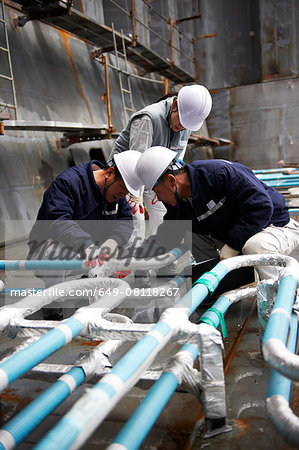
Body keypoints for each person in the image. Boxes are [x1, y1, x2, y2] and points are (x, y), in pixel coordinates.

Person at [135, 146, 299, 280]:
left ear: (171, 180)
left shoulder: (218, 173)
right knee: (192, 232)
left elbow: (262, 207)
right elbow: (170, 231)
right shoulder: (179, 199)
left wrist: (233, 245)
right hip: (242, 235)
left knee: (255, 246)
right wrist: (140, 254)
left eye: (156, 191)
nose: (157, 197)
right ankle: (222, 283)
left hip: (275, 227)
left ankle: (280, 297)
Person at [28, 150, 142, 319]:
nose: (122, 196)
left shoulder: (115, 191)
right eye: (122, 190)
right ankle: (53, 309)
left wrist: (113, 241)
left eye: (126, 193)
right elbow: (58, 221)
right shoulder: (68, 183)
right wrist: (86, 245)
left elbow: (126, 219)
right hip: (46, 254)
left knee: (130, 241)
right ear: (109, 173)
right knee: (56, 252)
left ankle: (88, 293)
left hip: (87, 253)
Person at [109, 84, 212, 239]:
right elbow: (135, 162)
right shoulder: (148, 119)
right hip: (127, 178)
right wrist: (137, 196)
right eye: (181, 122)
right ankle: (130, 258)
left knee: (164, 213)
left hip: (155, 176)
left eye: (187, 126)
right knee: (136, 219)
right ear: (176, 105)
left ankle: (159, 252)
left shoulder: (186, 125)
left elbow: (176, 161)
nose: (182, 128)